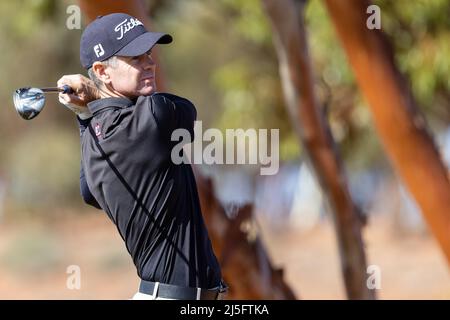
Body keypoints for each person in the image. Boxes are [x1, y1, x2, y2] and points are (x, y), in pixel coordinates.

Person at [57, 13, 227, 300]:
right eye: (136, 58)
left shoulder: (101, 133)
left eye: (148, 53)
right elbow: (187, 110)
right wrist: (93, 103)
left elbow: (89, 193)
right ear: (102, 70)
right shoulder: (153, 117)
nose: (150, 62)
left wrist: (86, 115)